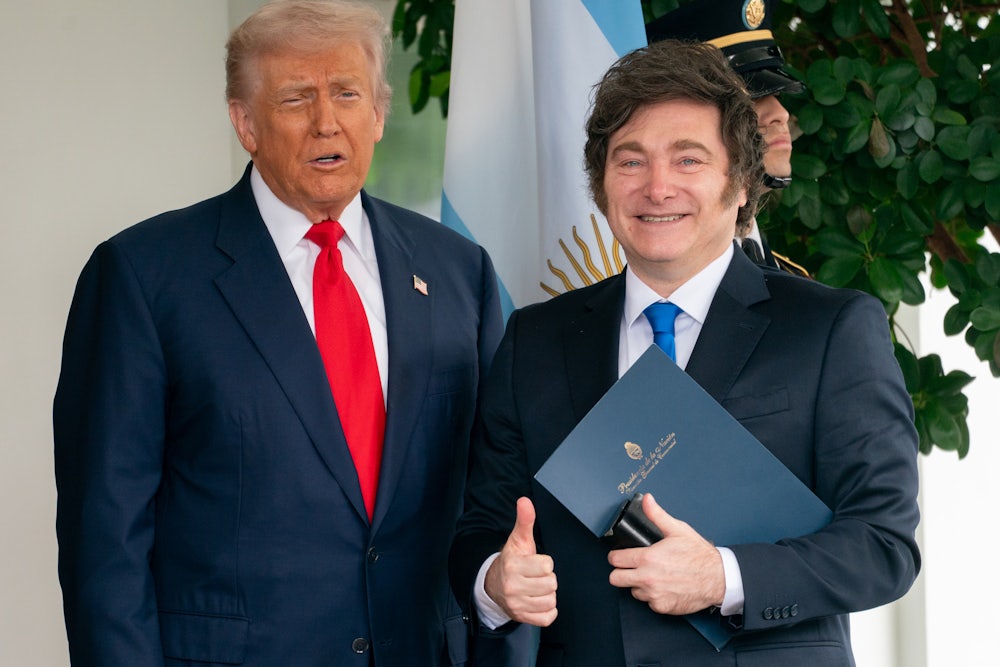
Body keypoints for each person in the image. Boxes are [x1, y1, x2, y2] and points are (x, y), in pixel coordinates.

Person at [53, 1, 502, 665]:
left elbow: (491, 493)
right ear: (245, 122)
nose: (327, 121)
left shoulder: (459, 270)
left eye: (347, 93)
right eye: (296, 98)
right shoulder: (143, 276)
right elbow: (105, 539)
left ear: (378, 113)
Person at [449, 39, 920, 666]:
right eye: (631, 161)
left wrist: (723, 578)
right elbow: (480, 526)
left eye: (688, 159)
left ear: (743, 182)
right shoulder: (534, 340)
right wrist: (494, 583)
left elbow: (884, 546)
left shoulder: (831, 328)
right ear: (600, 183)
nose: (657, 187)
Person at [646, 0, 810, 276]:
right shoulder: (643, 276)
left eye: (777, 95)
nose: (780, 114)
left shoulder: (793, 279)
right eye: (748, 101)